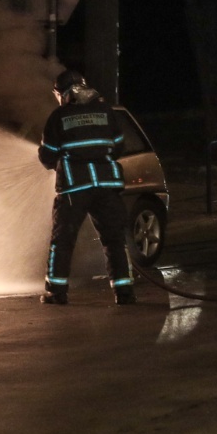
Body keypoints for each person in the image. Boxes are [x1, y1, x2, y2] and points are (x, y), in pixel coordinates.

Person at [37, 70, 136, 305]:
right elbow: (119, 146)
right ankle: (125, 293)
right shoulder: (105, 112)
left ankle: (56, 292)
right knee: (114, 240)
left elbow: (47, 156)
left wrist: (59, 160)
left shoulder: (58, 117)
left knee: (63, 240)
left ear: (62, 93)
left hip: (75, 187)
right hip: (106, 186)